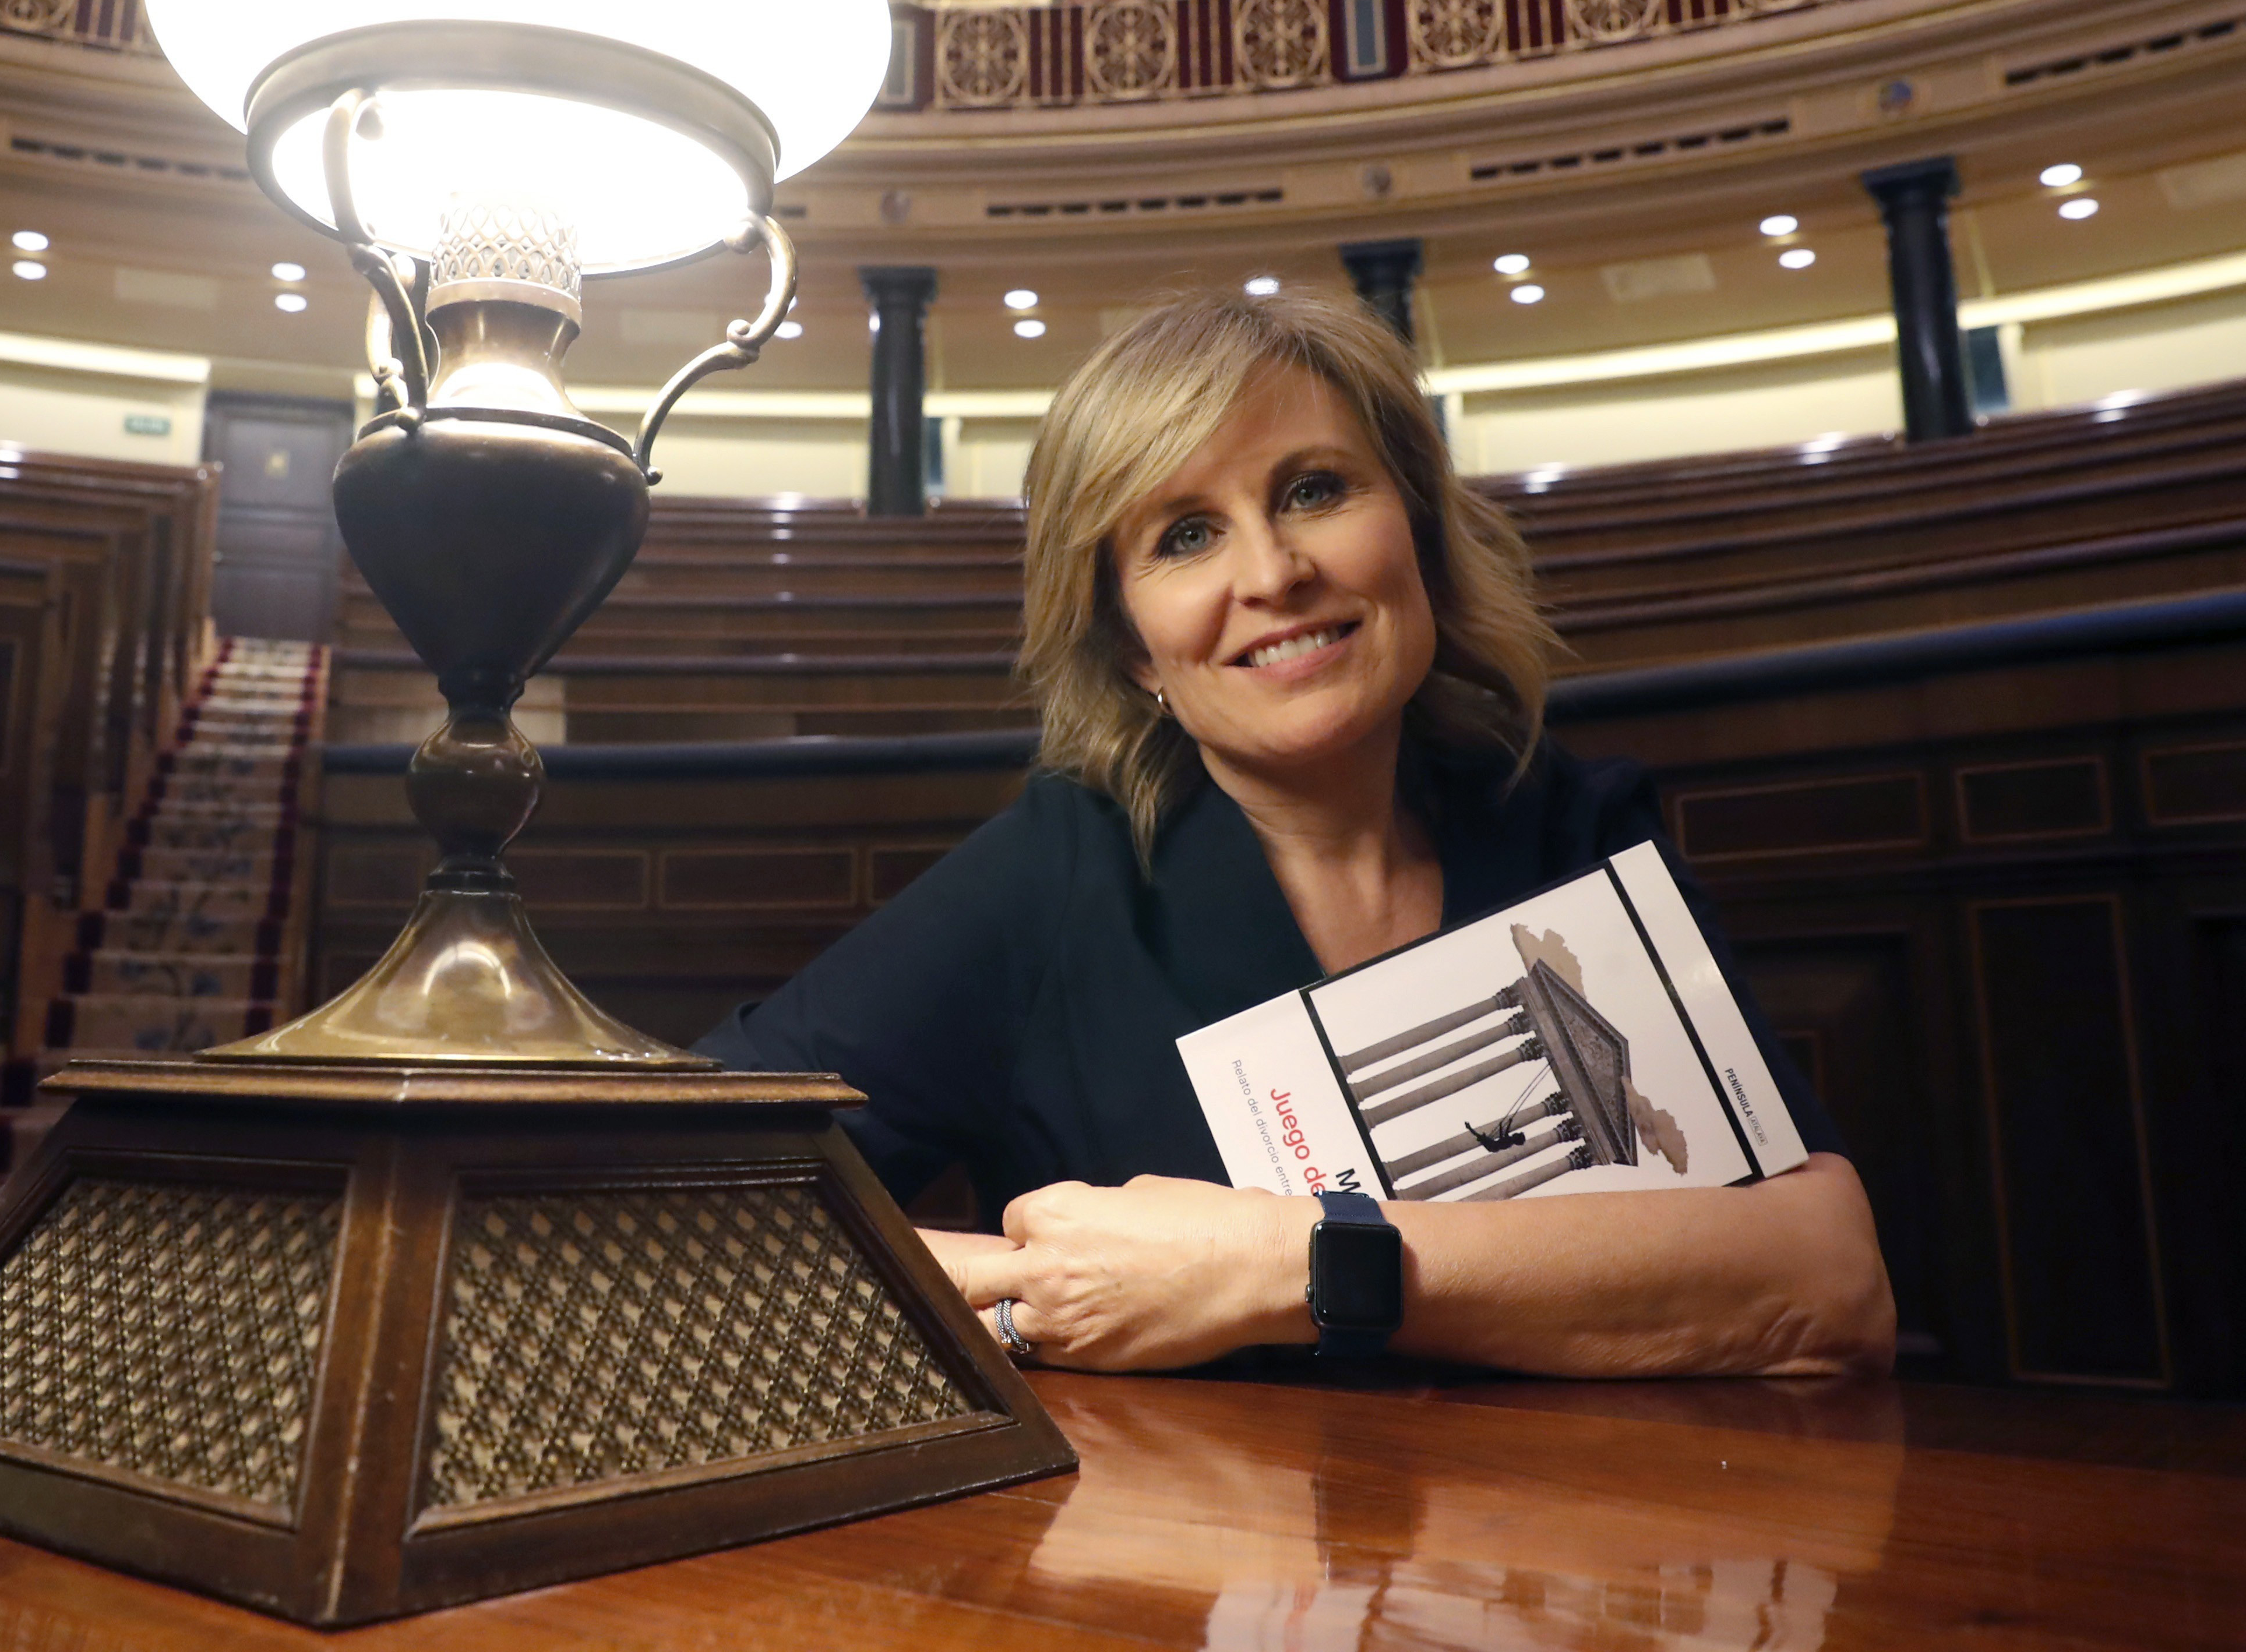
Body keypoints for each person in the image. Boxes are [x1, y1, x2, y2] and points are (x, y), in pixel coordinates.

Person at [696, 285, 1896, 1379]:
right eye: (1183, 535)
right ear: (1129, 647)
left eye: (1314, 490)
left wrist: (1283, 1264)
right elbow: (682, 1205)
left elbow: (1830, 1279)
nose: (1273, 572)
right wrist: (1035, 1293)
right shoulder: (1055, 876)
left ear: (1417, 531)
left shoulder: (1570, 824)